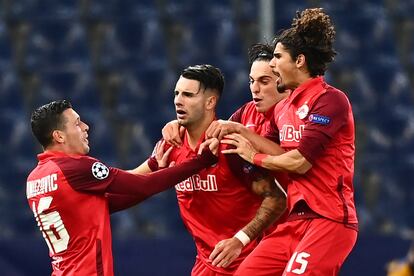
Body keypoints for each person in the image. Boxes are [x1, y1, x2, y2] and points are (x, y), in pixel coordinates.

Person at [220, 8, 358, 275]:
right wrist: (236, 132)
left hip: (329, 220)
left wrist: (254, 156)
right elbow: (274, 149)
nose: (272, 64)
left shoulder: (330, 100)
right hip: (295, 222)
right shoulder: (284, 109)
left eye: (277, 57)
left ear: (300, 61)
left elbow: (300, 162)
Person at [26, 100, 219, 276]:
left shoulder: (35, 179)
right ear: (59, 136)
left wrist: (153, 165)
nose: (86, 127)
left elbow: (104, 205)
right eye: (77, 123)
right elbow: (144, 186)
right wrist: (201, 161)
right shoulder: (76, 167)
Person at [138, 64, 287, 275]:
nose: (178, 100)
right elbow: (133, 182)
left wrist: (240, 240)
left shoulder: (229, 147)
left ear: (210, 102)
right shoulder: (171, 143)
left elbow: (277, 198)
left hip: (246, 263)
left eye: (188, 95)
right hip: (207, 264)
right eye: (177, 93)